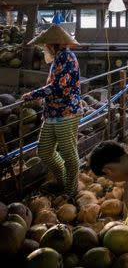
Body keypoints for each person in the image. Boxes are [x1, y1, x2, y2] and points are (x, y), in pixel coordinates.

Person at [21, 24, 82, 197]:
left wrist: (33, 94)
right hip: (52, 113)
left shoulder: (67, 57)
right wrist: (42, 96)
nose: (44, 48)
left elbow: (58, 86)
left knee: (69, 155)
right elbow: (55, 86)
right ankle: (62, 180)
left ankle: (70, 192)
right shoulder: (58, 58)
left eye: (46, 45)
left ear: (53, 44)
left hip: (67, 113)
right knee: (45, 151)